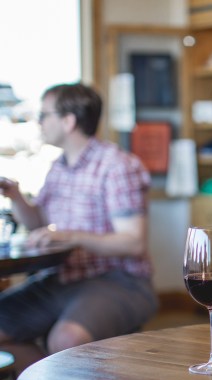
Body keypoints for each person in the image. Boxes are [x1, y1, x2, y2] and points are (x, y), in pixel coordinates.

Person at [0, 82, 157, 355]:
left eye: (45, 114)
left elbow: (133, 243)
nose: (39, 121)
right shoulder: (58, 168)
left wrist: (70, 236)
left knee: (66, 340)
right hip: (60, 279)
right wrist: (15, 196)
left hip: (118, 280)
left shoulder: (116, 165)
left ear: (68, 120)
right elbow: (38, 225)